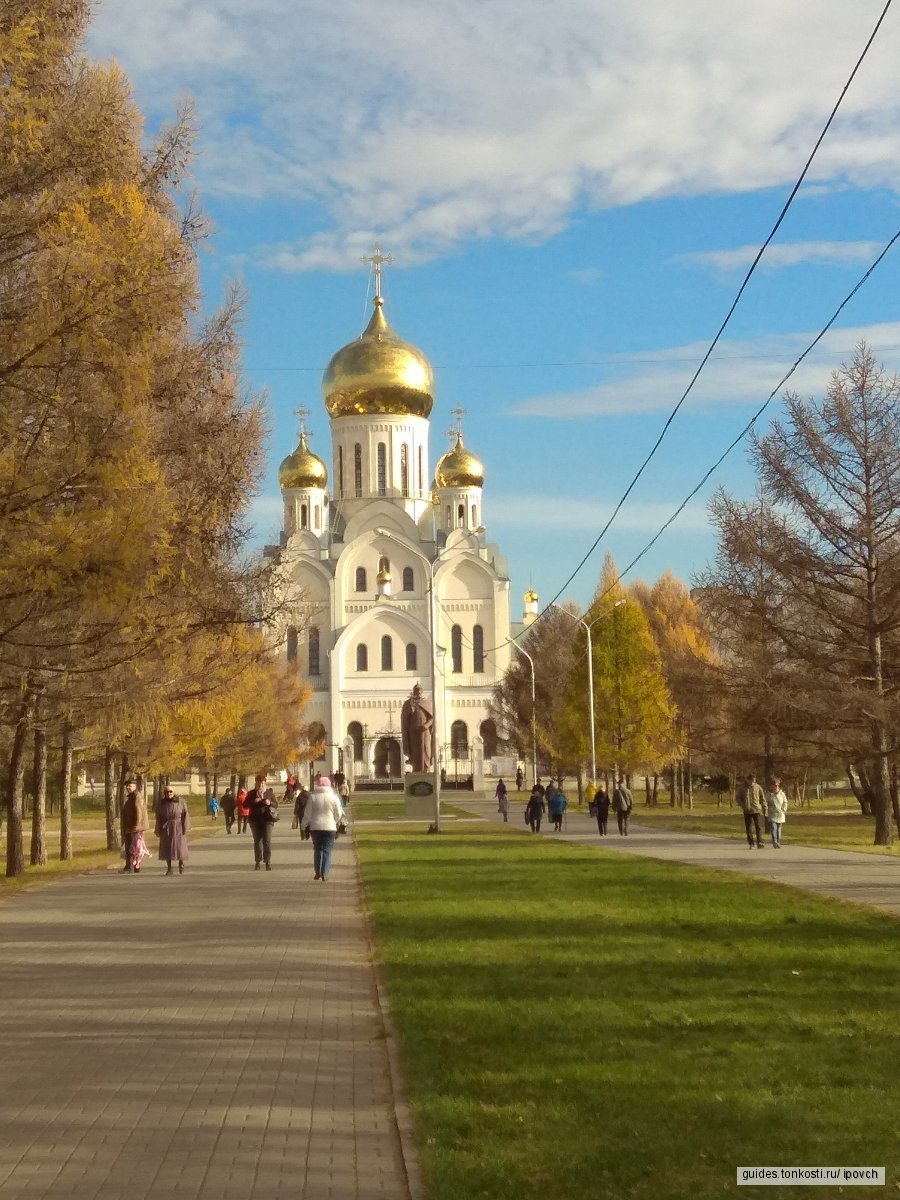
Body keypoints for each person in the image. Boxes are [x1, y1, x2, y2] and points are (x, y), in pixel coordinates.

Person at [302, 774, 344, 881]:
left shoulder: (313, 797)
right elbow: (339, 813)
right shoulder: (333, 797)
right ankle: (325, 873)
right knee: (327, 850)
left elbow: (307, 813)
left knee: (317, 849)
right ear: (329, 785)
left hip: (315, 827)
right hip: (330, 827)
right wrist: (335, 821)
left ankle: (317, 872)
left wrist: (304, 826)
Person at [246, 773, 278, 870]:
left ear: (265, 783)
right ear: (256, 783)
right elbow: (245, 804)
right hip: (255, 820)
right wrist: (254, 801)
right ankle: (257, 862)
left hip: (268, 820)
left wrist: (269, 802)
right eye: (259, 784)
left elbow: (276, 804)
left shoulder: (269, 793)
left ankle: (267, 861)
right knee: (257, 841)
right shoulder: (251, 793)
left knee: (267, 841)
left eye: (263, 784)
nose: (261, 786)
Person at [155, 786, 190, 875]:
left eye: (170, 791)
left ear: (173, 792)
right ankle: (169, 868)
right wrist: (158, 829)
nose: (169, 793)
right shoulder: (161, 804)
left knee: (179, 846)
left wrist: (185, 826)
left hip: (178, 826)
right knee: (167, 847)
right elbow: (158, 818)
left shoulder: (180, 802)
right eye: (167, 792)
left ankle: (181, 862)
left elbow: (185, 814)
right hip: (166, 827)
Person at [400, 684, 434, 772]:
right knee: (415, 752)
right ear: (414, 691)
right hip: (413, 732)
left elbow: (433, 717)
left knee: (426, 750)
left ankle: (426, 768)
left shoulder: (427, 702)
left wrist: (426, 725)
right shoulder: (408, 703)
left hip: (425, 731)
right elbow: (405, 720)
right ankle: (416, 770)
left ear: (422, 692)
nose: (418, 692)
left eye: (420, 691)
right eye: (416, 690)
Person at [121, 779, 148, 873]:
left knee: (131, 847)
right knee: (135, 846)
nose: (128, 787)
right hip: (130, 826)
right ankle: (136, 866)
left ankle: (129, 866)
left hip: (133, 826)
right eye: (127, 786)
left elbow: (139, 811)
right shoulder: (131, 797)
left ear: (135, 786)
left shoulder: (137, 796)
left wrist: (137, 825)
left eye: (130, 785)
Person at [737, 773, 767, 848]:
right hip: (747, 810)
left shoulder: (758, 787)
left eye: (754, 781)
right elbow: (738, 798)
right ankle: (751, 843)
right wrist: (743, 805)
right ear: (747, 780)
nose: (752, 783)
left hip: (757, 810)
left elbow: (762, 798)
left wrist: (765, 808)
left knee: (758, 827)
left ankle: (760, 842)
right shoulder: (742, 787)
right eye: (751, 781)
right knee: (749, 827)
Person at [766, 777, 788, 848]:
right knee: (773, 828)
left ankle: (778, 842)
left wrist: (783, 810)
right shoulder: (769, 795)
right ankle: (774, 842)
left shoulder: (782, 794)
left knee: (779, 830)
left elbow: (785, 802)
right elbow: (765, 803)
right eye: (775, 785)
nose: (776, 787)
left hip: (780, 814)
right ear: (772, 786)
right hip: (772, 814)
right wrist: (766, 810)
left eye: (778, 785)